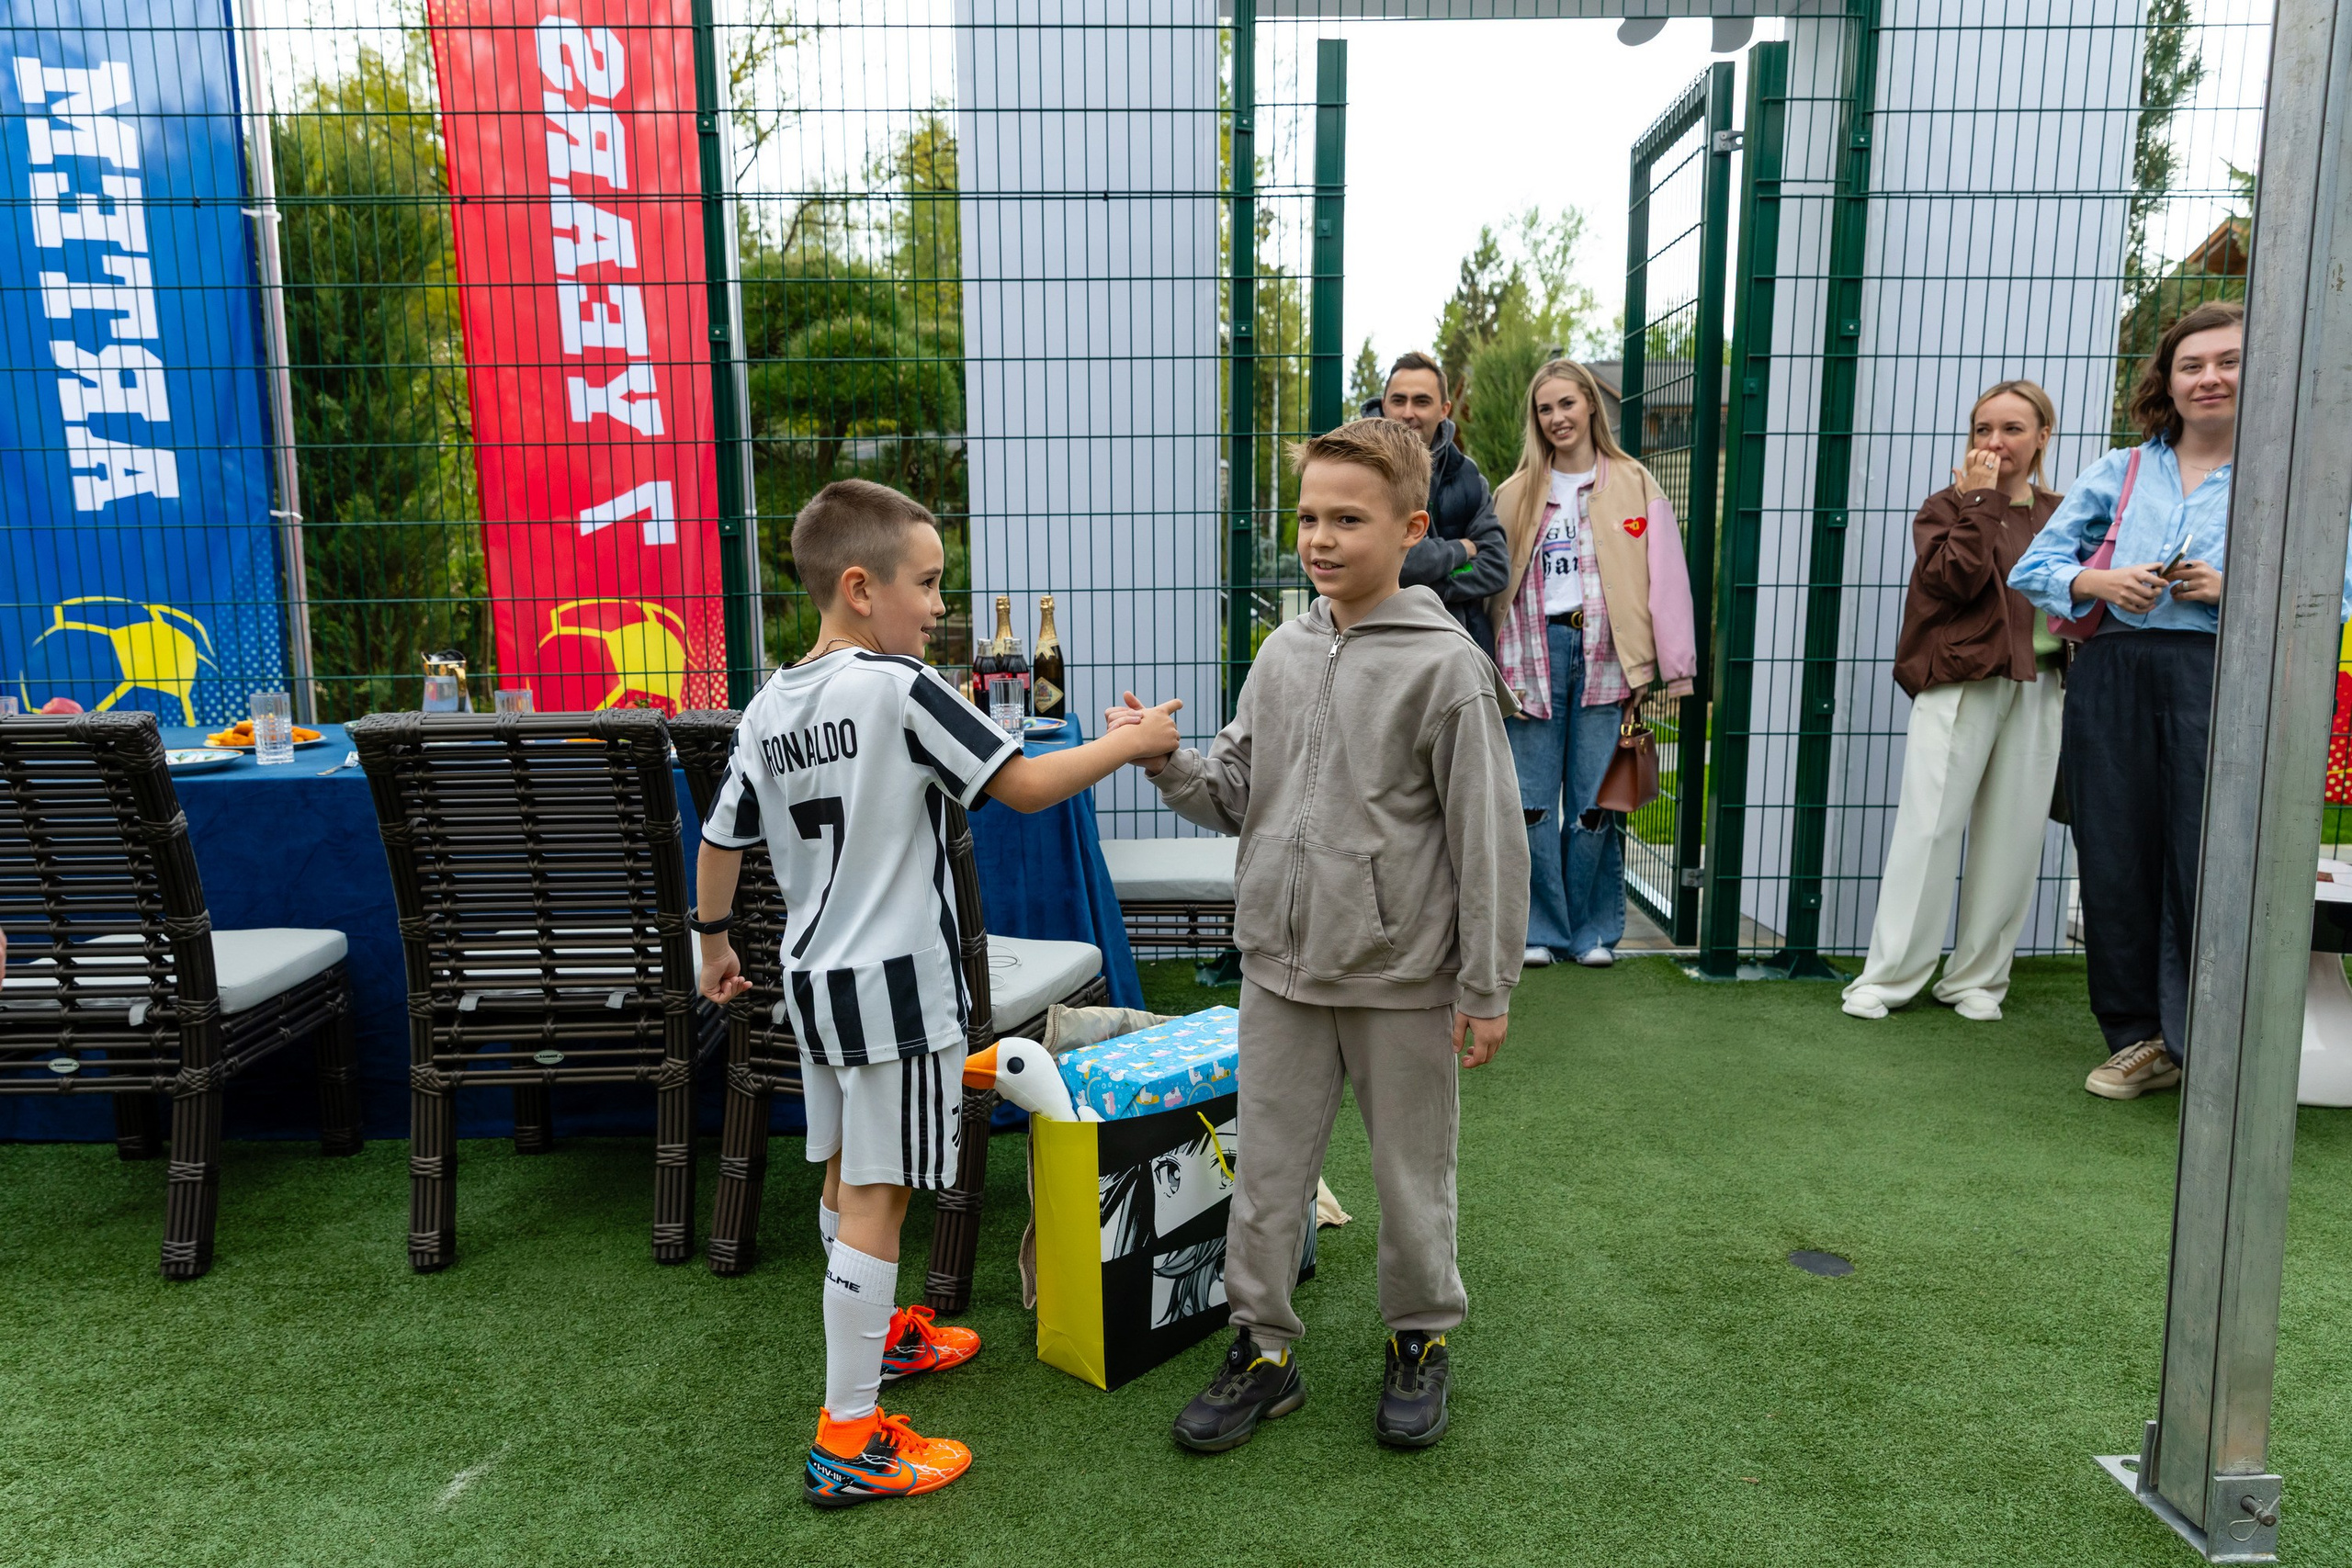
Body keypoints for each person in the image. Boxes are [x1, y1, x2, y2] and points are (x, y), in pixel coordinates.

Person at [693, 479, 1180, 1506]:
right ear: (860, 588)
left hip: (812, 984)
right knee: (883, 1192)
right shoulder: (899, 687)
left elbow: (720, 837)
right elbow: (1026, 786)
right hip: (900, 989)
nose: (937, 608)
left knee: (842, 1176)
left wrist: (712, 943)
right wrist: (1132, 746)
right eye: (927, 585)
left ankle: (887, 1345)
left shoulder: (768, 703)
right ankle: (848, 1438)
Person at [1111, 418, 1526, 1452]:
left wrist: (1486, 985)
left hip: (1403, 979)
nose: (1321, 539)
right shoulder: (1282, 651)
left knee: (1409, 1180)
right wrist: (1165, 760)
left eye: (1348, 518)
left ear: (1412, 527)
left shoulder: (1446, 669)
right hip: (1279, 973)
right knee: (1265, 1175)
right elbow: (1237, 793)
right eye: (1307, 516)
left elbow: (1486, 842)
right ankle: (1260, 1350)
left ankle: (1420, 1340)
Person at [2010, 299, 2352, 1099]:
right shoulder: (2119, 469)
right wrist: (2101, 580)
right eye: (2192, 364)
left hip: (2223, 674)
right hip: (2115, 674)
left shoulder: (2296, 478)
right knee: (2116, 850)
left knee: (2214, 854)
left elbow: (2332, 592)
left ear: (2261, 370)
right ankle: (2138, 1038)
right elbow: (2034, 566)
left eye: (2228, 361)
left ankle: (2216, 1039)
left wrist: (2233, 590)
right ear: (2167, 378)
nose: (2210, 377)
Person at [1842, 380, 2066, 1023]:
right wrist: (1983, 501)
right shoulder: (1948, 505)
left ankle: (1977, 980)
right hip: (1961, 681)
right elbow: (1952, 579)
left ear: (2043, 435)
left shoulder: (2063, 511)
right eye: (1982, 429)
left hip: (2041, 685)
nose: (1995, 442)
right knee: (1929, 829)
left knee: (2015, 838)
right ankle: (1886, 979)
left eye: (2013, 429)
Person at [1487, 358, 1696, 969]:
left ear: (1590, 407)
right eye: (1545, 408)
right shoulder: (1515, 491)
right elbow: (1488, 579)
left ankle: (1593, 931)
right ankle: (1539, 928)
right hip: (1529, 657)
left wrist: (1666, 668)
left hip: (1606, 654)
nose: (1557, 418)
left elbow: (1668, 579)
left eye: (1567, 404)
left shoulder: (1634, 483)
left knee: (1594, 802)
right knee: (1529, 802)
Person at [1364, 351, 1510, 653]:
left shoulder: (1468, 477)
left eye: (1421, 401)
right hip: (1377, 644)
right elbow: (1375, 560)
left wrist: (1425, 583)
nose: (1407, 412)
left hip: (1459, 649)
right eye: (1398, 400)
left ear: (1444, 409)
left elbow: (1495, 567)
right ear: (1383, 405)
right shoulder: (1357, 471)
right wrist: (1460, 550)